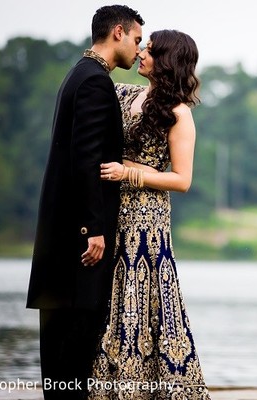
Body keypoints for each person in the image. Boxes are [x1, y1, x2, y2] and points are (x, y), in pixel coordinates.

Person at [26, 5, 144, 400]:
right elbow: (88, 159)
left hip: (58, 241)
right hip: (80, 245)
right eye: (137, 40)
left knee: (58, 359)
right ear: (117, 32)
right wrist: (93, 229)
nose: (138, 50)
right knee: (72, 355)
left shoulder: (79, 74)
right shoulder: (95, 82)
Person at [88, 30, 211, 400]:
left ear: (168, 61)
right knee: (112, 297)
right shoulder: (125, 94)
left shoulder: (179, 114)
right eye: (142, 46)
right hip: (113, 211)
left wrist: (131, 173)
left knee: (144, 295)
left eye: (151, 51)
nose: (140, 53)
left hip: (148, 221)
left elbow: (182, 179)